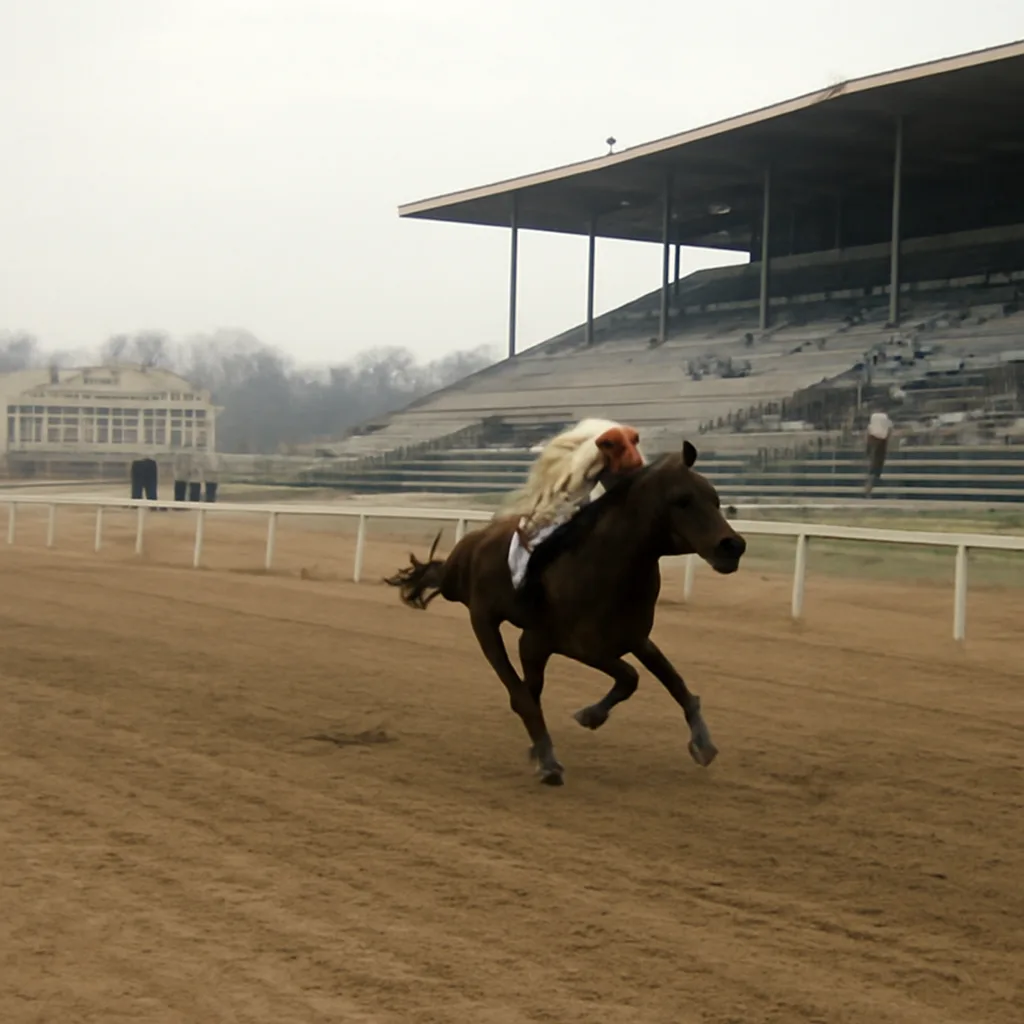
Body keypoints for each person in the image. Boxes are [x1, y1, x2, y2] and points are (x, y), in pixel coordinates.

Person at [503, 418, 646, 589]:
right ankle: (527, 581)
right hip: (566, 504)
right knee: (544, 536)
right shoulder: (581, 468)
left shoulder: (616, 462)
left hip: (589, 496)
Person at [864, 409, 893, 497]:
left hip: (875, 438)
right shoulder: (883, 418)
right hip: (880, 439)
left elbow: (869, 431)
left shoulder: (875, 418)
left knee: (874, 464)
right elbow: (889, 430)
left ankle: (870, 485)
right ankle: (870, 485)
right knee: (876, 464)